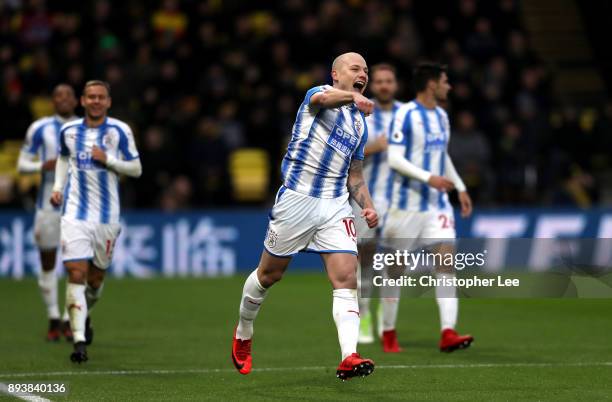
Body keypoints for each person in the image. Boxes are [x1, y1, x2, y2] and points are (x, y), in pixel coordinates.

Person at [231, 52, 379, 381]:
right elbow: (326, 99)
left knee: (346, 279)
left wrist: (366, 204)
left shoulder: (359, 123)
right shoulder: (316, 95)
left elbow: (355, 175)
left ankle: (349, 356)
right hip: (297, 200)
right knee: (269, 276)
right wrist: (353, 95)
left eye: (366, 71)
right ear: (336, 74)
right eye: (356, 69)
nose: (363, 74)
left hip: (335, 205)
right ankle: (244, 331)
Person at [383, 62, 474, 352]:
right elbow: (394, 159)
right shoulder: (405, 115)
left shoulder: (443, 117)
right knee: (394, 271)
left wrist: (459, 186)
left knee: (446, 266)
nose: (449, 86)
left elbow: (441, 156)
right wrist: (428, 178)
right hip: (405, 207)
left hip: (438, 206)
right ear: (432, 84)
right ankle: (388, 333)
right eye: (445, 81)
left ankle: (448, 332)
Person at [50, 80, 142, 363]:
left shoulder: (120, 131)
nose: (96, 101)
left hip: (107, 218)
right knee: (76, 273)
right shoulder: (69, 131)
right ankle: (78, 341)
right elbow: (63, 160)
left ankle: (83, 313)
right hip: (74, 214)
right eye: (91, 97)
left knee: (95, 279)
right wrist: (57, 187)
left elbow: (136, 169)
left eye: (101, 97)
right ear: (82, 101)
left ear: (108, 102)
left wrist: (109, 160)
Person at [349, 64, 405, 352]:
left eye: (388, 81)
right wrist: (375, 147)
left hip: (398, 203)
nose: (383, 85)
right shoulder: (361, 111)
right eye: (379, 81)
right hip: (366, 200)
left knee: (395, 265)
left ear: (395, 84)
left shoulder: (408, 115)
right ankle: (365, 314)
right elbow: (347, 153)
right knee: (365, 262)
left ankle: (389, 325)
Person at [17, 83, 78, 342]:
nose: (62, 99)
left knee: (77, 265)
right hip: (48, 207)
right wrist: (43, 165)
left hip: (79, 208)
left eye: (67, 95)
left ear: (76, 101)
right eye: (57, 96)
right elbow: (21, 164)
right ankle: (53, 315)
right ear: (52, 101)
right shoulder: (40, 128)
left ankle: (68, 318)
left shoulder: (87, 129)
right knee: (48, 262)